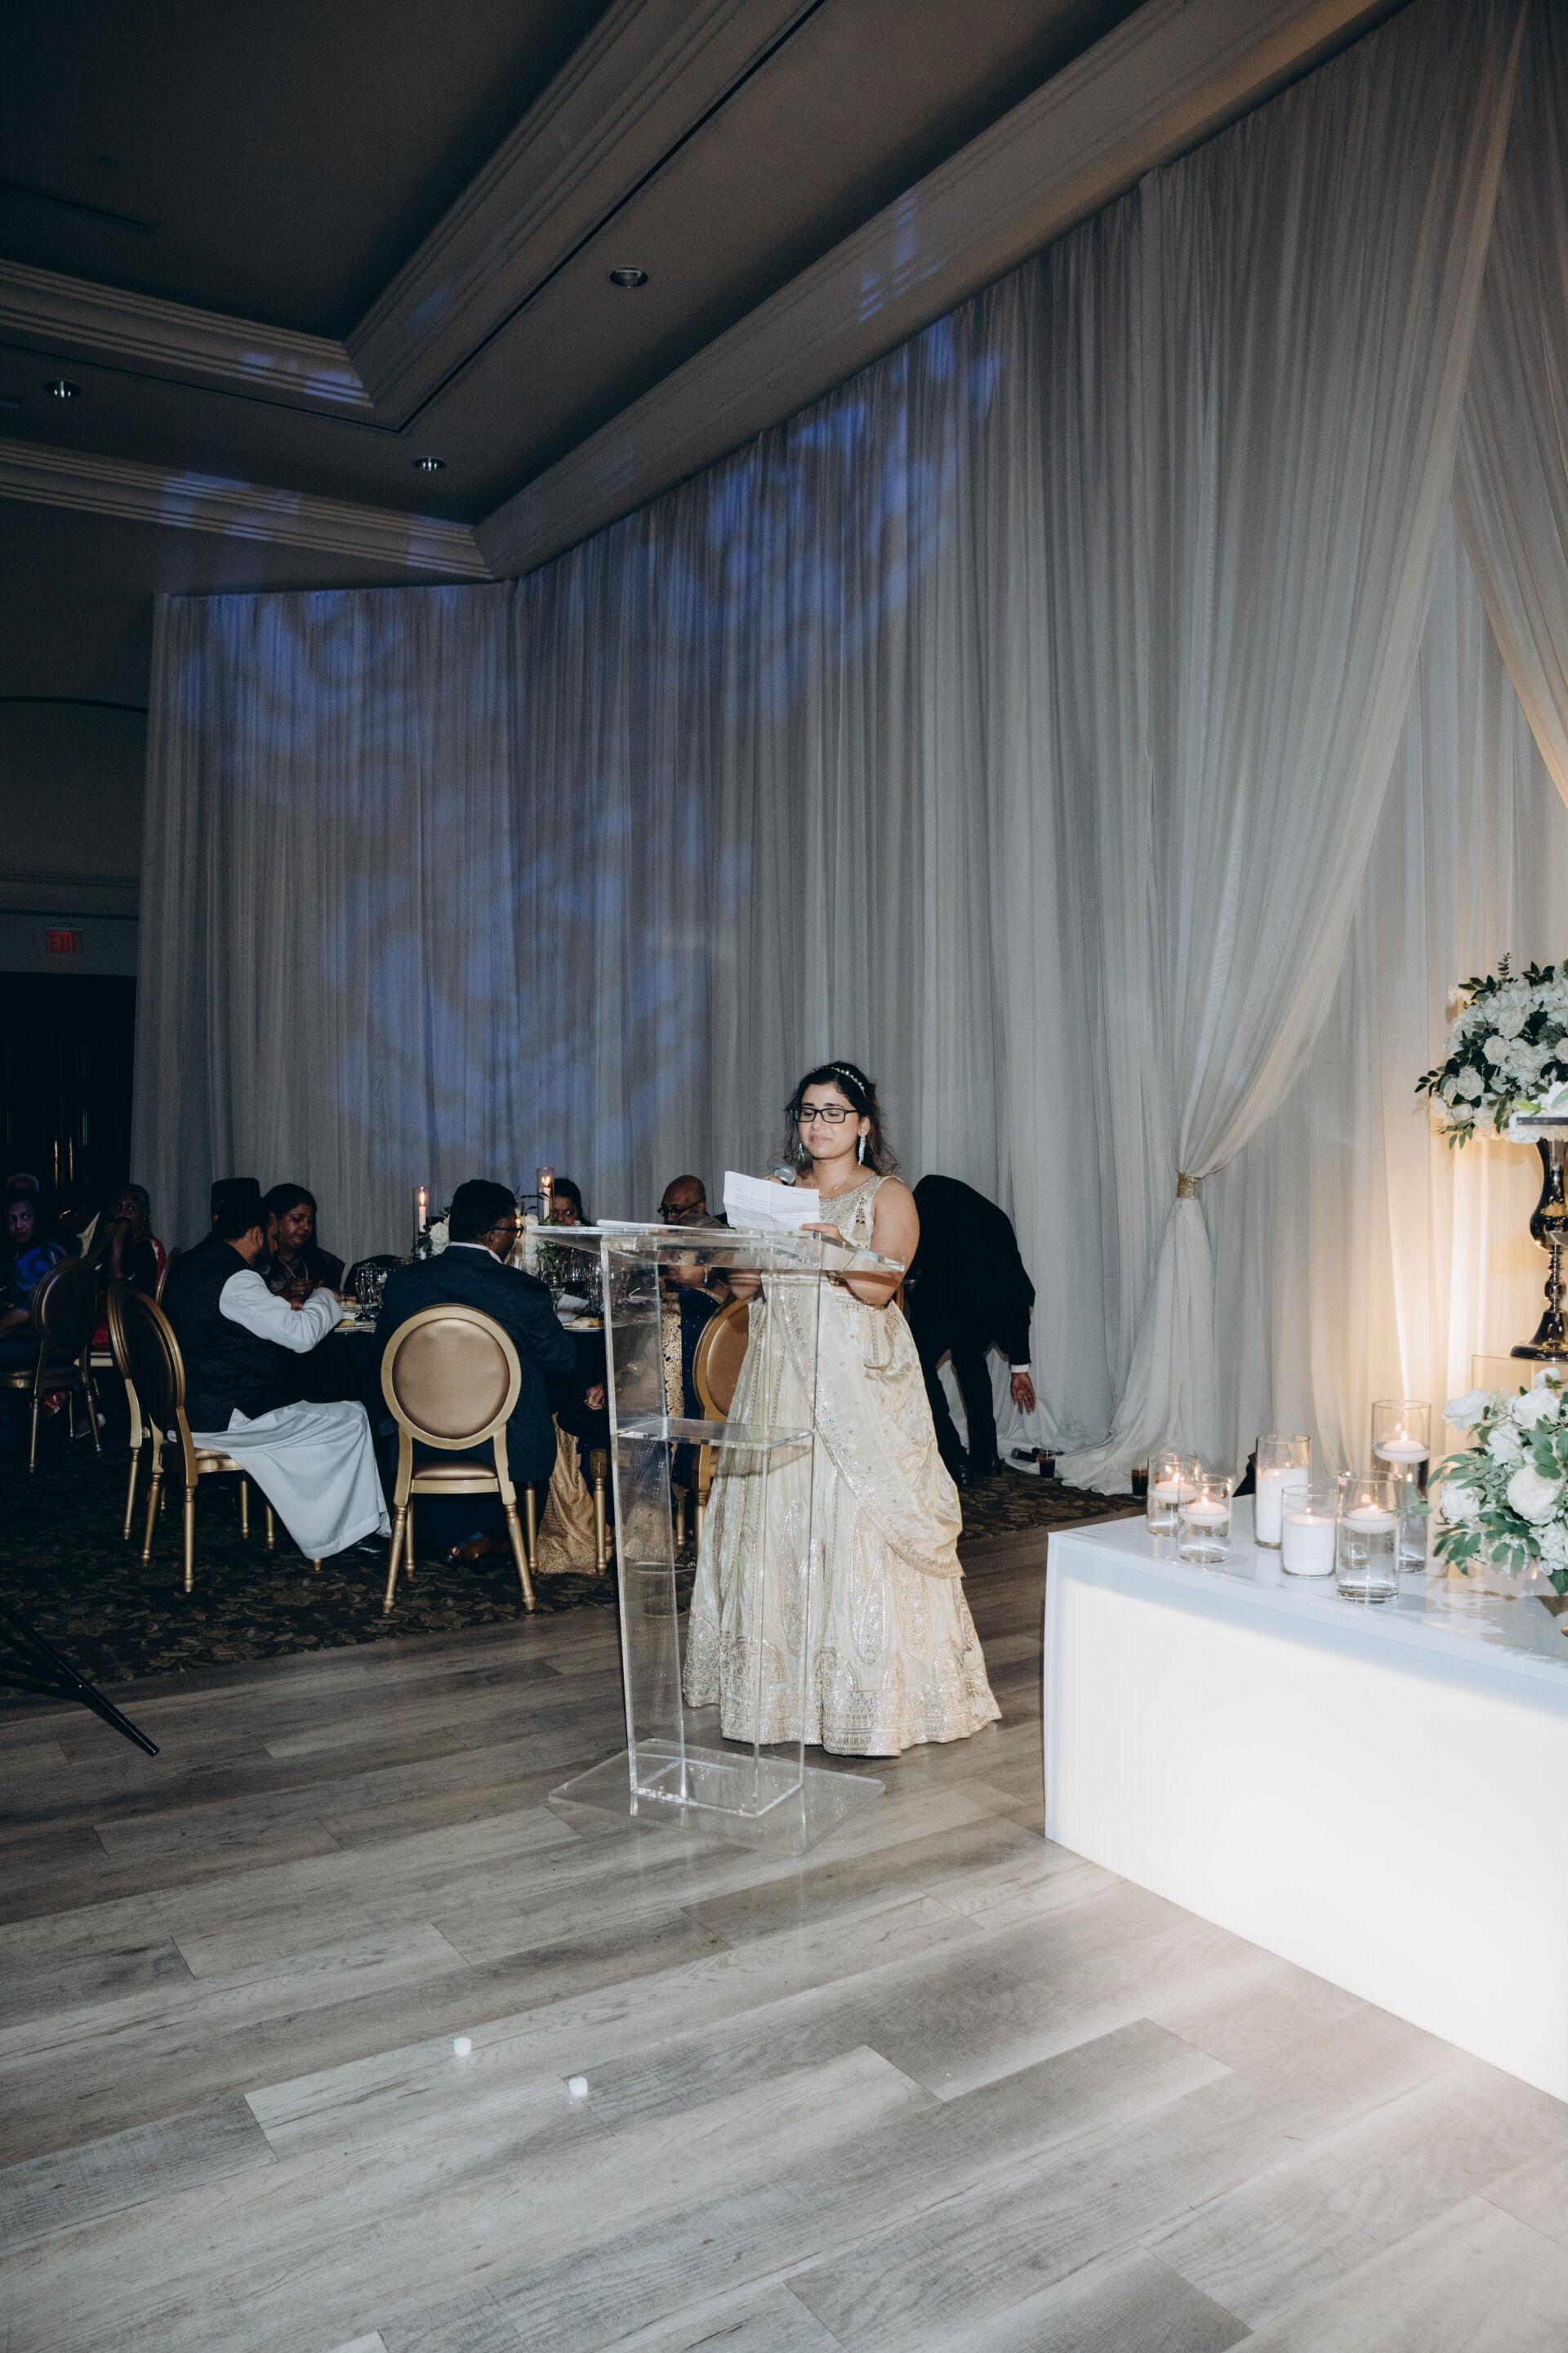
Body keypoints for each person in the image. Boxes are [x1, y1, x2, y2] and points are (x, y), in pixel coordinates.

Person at [684, 1059, 1000, 1757]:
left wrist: (830, 1244)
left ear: (862, 1123)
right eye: (807, 1111)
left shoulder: (888, 1195)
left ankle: (873, 1696)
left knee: (856, 1522)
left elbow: (879, 1289)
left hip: (860, 1381)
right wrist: (750, 1248)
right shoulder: (778, 1189)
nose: (818, 1124)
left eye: (833, 1111)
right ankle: (780, 1696)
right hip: (781, 1375)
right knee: (779, 1519)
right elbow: (745, 1288)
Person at [377, 1179, 604, 1562]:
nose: (515, 1237)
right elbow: (563, 1362)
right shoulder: (522, 1290)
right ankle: (495, 1541)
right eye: (515, 1229)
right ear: (493, 1235)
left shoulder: (403, 1285)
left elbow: (382, 1357)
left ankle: (461, 1538)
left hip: (421, 1437)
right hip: (504, 1442)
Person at [161, 1191, 385, 1557]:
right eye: (271, 1234)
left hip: (191, 1404)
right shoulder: (236, 1279)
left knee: (328, 1409)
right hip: (222, 1413)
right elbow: (302, 1337)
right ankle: (348, 1534)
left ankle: (343, 1522)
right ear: (256, 1235)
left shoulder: (196, 1267)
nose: (276, 1242)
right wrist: (325, 1297)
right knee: (353, 1416)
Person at [906, 1174, 1036, 1487]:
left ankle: (955, 1459)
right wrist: (1019, 1367)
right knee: (969, 1358)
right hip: (994, 1305)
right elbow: (1017, 1291)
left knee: (917, 1362)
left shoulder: (925, 1201)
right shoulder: (993, 1217)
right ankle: (986, 1456)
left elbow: (914, 1262)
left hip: (952, 1297)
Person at [84, 1183, 167, 1348]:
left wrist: (117, 1241)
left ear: (143, 1215)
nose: (123, 1214)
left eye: (130, 1209)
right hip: (102, 1315)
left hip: (130, 1324)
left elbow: (120, 1289)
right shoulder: (110, 1243)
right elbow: (81, 1275)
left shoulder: (148, 1247)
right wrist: (102, 1242)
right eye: (118, 1208)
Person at [261, 1184, 345, 1298]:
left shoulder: (325, 1262)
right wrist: (283, 1294)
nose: (306, 1227)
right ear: (274, 1220)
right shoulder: (258, 1262)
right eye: (297, 1219)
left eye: (310, 1221)